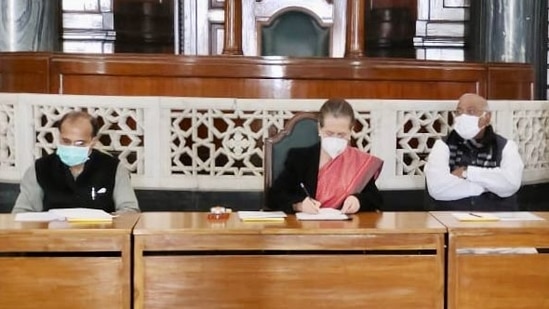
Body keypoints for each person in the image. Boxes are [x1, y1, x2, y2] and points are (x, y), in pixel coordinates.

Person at [268, 98, 384, 214]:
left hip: (346, 228)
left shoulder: (358, 162)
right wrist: (299, 205)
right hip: (307, 228)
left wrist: (358, 200)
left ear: (350, 131)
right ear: (319, 128)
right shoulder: (300, 158)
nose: (335, 138)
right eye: (329, 133)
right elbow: (274, 197)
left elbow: (375, 199)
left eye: (341, 135)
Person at [12, 111, 140, 214]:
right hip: (51, 241)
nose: (72, 147)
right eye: (66, 141)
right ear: (59, 137)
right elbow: (22, 212)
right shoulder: (40, 168)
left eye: (80, 143)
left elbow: (130, 211)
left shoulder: (113, 168)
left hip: (101, 241)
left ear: (93, 142)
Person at [424, 93, 524, 210]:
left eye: (471, 112)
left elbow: (510, 184)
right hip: (451, 219)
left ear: (487, 117)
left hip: (498, 219)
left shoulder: (506, 146)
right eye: (459, 112)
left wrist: (467, 172)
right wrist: (487, 185)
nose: (462, 116)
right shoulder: (442, 145)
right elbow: (437, 188)